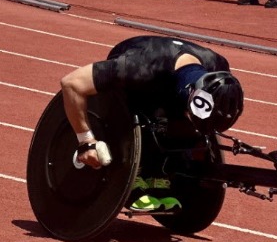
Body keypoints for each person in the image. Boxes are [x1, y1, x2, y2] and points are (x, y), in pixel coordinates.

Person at [61, 35, 244, 211]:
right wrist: (86, 141)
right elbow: (71, 83)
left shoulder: (219, 70)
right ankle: (137, 173)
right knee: (158, 119)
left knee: (185, 128)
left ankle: (165, 172)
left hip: (169, 76)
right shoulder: (138, 67)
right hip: (140, 70)